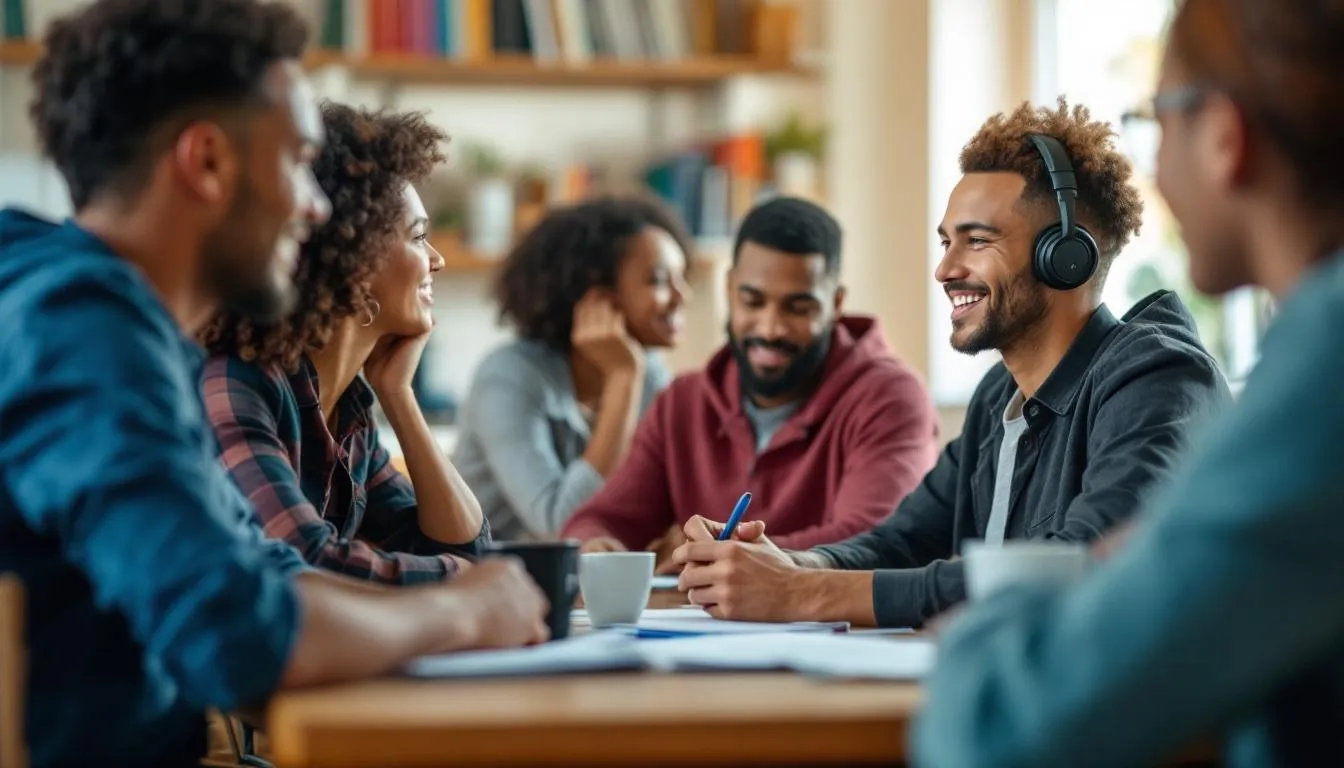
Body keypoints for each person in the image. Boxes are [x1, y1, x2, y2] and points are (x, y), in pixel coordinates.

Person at [0, 2, 545, 765]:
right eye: (295, 160)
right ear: (208, 160)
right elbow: (234, 634)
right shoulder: (77, 329)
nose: (316, 207)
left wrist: (463, 598)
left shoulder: (120, 331)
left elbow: (269, 576)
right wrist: (458, 613)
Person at [914, 1, 1344, 765]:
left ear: (1223, 134)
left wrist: (1015, 610)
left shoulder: (1323, 364)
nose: (1153, 168)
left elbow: (1004, 728)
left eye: (1158, 122)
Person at [671, 99, 1229, 627]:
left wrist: (802, 594)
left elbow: (1077, 570)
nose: (944, 269)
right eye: (945, 243)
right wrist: (794, 565)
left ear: (1065, 255)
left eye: (976, 241)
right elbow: (901, 542)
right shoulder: (999, 398)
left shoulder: (1157, 379)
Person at [559, 196, 940, 568]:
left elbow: (876, 538)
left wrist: (727, 555)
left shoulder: (892, 397)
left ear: (835, 304)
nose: (770, 328)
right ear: (729, 290)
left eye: (798, 308)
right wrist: (598, 545)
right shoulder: (682, 402)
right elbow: (599, 520)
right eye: (753, 301)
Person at [199, 102, 488, 584]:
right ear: (357, 255)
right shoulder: (239, 381)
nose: (435, 259)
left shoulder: (347, 408)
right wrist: (460, 579)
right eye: (418, 237)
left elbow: (461, 543)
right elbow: (303, 563)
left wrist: (399, 397)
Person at [452, 197, 693, 542]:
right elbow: (561, 526)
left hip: (585, 587)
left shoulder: (650, 372)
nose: (682, 295)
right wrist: (622, 380)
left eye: (682, 278)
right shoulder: (508, 376)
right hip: (488, 581)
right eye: (658, 280)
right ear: (597, 299)